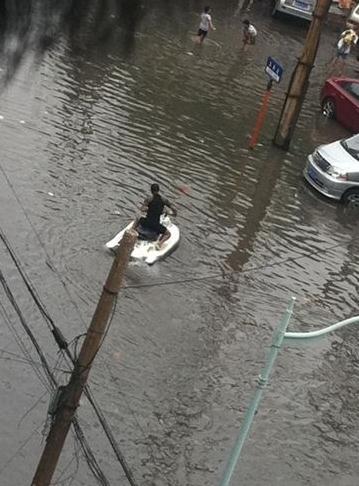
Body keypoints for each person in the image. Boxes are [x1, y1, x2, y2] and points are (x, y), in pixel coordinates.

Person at [133, 183, 177, 248]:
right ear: (158, 190)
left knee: (138, 217)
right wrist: (172, 213)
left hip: (146, 222)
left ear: (151, 190)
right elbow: (174, 210)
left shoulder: (149, 199)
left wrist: (147, 209)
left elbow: (142, 209)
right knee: (168, 234)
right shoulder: (164, 200)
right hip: (155, 225)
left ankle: (132, 230)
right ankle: (159, 244)